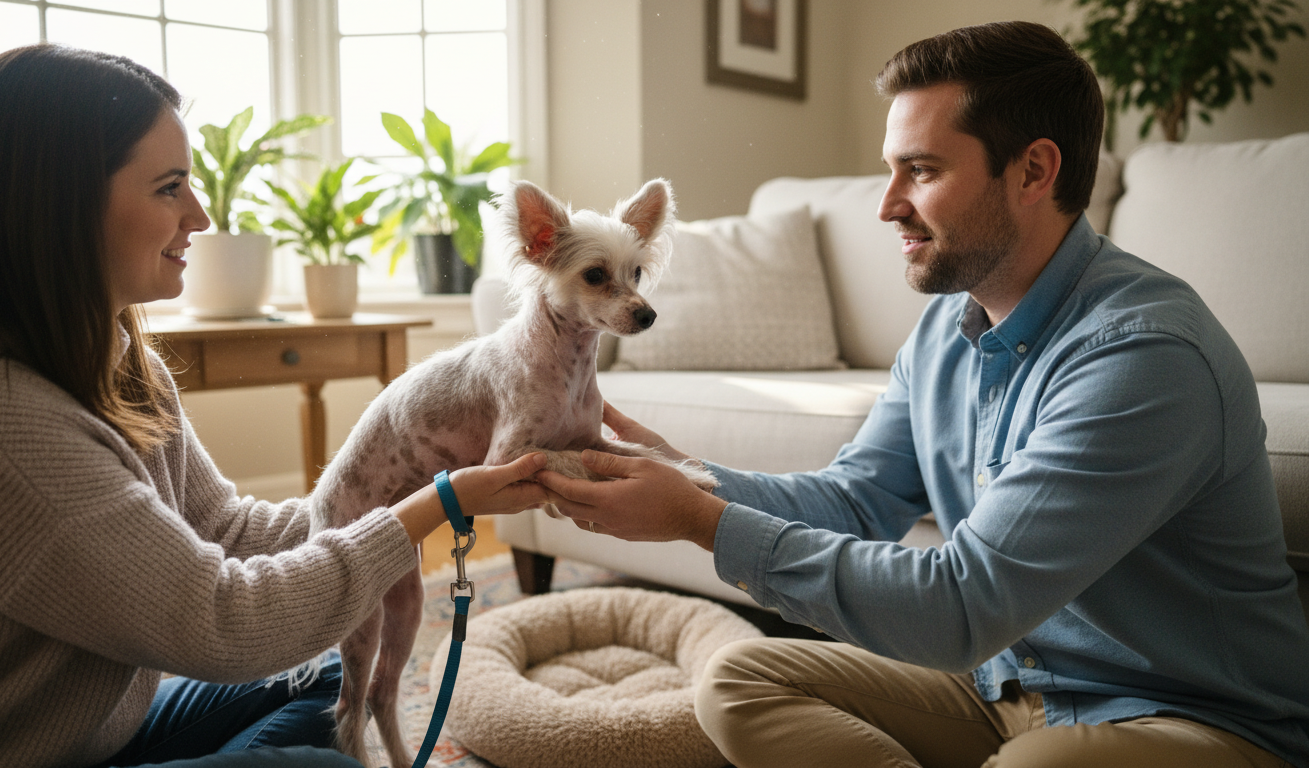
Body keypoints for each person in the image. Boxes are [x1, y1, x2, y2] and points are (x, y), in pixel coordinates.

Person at [537, 21, 1309, 768]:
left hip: (1186, 715)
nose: (887, 204)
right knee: (737, 683)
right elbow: (856, 500)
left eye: (924, 171)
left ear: (1035, 171)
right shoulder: (948, 325)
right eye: (891, 168)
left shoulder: (1143, 356)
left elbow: (960, 607)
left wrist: (698, 520)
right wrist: (694, 481)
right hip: (1007, 684)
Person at [0, 44, 550, 768]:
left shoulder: (126, 364)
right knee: (324, 761)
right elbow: (223, 620)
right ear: (59, 203)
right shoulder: (1, 417)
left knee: (339, 669)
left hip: (110, 732)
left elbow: (224, 528)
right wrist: (432, 505)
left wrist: (374, 483)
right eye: (169, 187)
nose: (201, 216)